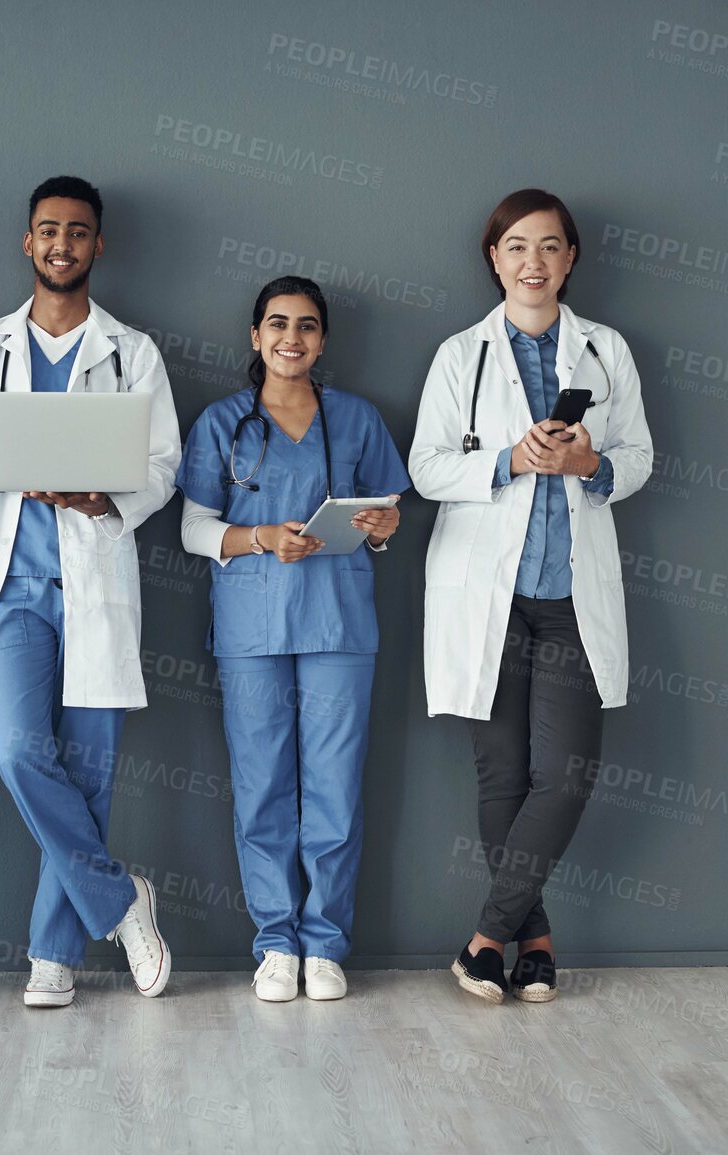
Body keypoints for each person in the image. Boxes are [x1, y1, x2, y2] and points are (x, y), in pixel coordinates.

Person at [0, 176, 180, 1007]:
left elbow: (164, 466)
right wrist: (0, 467)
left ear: (98, 245)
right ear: (26, 243)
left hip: (94, 575)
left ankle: (53, 956)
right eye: (47, 231)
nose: (62, 244)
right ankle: (119, 899)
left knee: (88, 770)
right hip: (15, 589)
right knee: (16, 747)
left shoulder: (132, 351)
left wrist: (104, 496)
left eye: (77, 231)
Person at [410, 189, 653, 1006]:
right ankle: (537, 943)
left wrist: (590, 466)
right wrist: (512, 459)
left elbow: (641, 457)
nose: (533, 262)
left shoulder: (607, 350)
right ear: (494, 258)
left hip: (570, 597)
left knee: (565, 772)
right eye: (517, 246)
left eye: (550, 247)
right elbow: (426, 468)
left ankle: (484, 941)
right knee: (503, 777)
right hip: (488, 594)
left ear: (570, 259)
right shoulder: (461, 354)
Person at [176, 276, 410, 1002]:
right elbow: (192, 529)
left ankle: (326, 942)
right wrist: (259, 538)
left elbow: (386, 511)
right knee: (263, 788)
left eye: (307, 326)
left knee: (335, 788)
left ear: (323, 340)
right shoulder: (223, 423)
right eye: (277, 324)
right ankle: (276, 940)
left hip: (339, 624)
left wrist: (383, 528)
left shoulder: (357, 419)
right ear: (255, 335)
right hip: (253, 626)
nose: (291, 337)